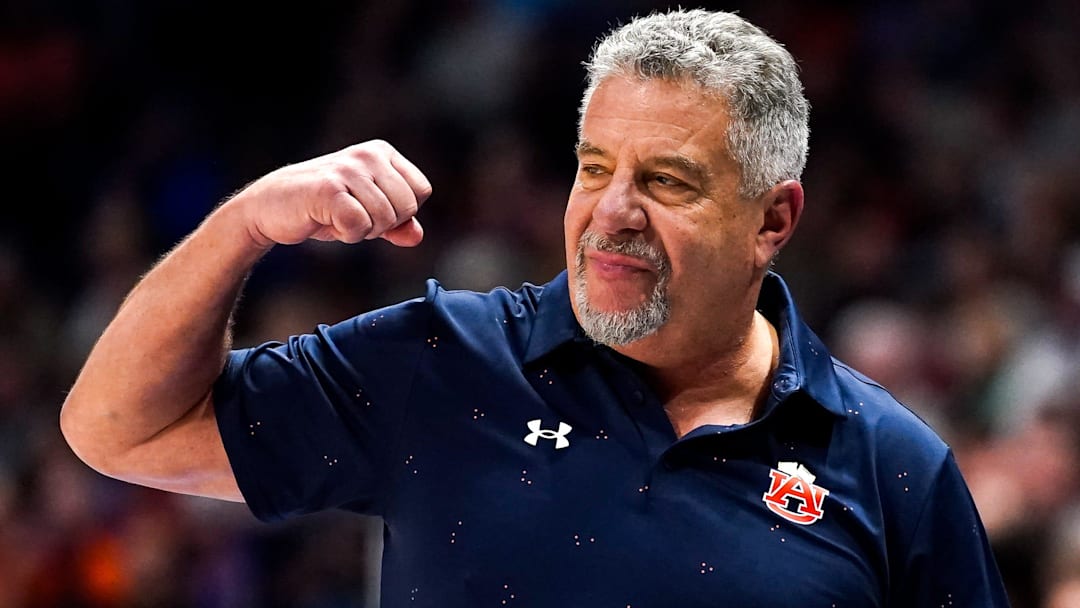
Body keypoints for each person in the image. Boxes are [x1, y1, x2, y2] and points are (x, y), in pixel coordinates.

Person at [61, 9, 1010, 606]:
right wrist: (244, 227)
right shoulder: (445, 362)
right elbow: (119, 429)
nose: (611, 211)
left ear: (773, 220)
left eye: (666, 181)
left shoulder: (891, 467)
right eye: (594, 168)